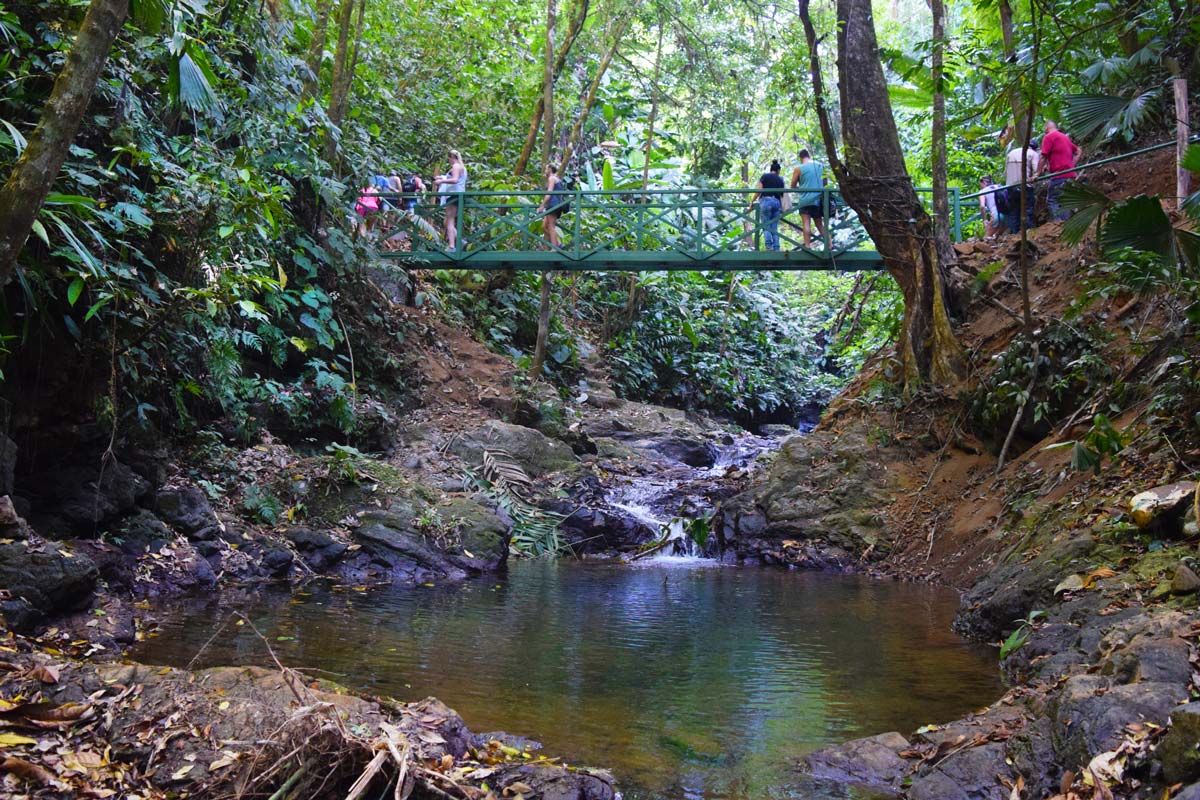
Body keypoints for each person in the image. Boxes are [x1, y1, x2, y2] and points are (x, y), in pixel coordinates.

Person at [1038, 120, 1080, 221]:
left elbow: (1043, 157)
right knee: (1063, 200)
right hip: (1070, 175)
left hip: (1059, 175)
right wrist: (1072, 164)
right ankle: (1064, 224)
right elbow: (1078, 151)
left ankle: (1058, 223)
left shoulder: (1049, 136)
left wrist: (1037, 173)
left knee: (1052, 200)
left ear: (1046, 128)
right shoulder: (1064, 137)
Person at [790, 149, 827, 248]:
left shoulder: (799, 168)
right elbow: (825, 183)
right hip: (818, 199)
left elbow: (792, 186)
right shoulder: (820, 165)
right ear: (809, 156)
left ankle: (807, 246)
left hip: (805, 200)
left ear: (800, 158)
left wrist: (801, 188)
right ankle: (830, 244)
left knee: (806, 223)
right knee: (819, 224)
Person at [432, 149, 467, 249]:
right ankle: (459, 240)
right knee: (447, 221)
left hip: (454, 195)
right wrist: (442, 178)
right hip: (458, 195)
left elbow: (455, 180)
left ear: (452, 157)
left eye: (449, 158)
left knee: (450, 220)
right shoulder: (462, 167)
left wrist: (441, 182)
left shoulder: (456, 166)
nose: (449, 161)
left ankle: (452, 246)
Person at [1003, 137, 1039, 234]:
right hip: (1025, 186)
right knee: (1027, 209)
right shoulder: (1033, 154)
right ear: (1035, 148)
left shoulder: (1011, 153)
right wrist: (1035, 177)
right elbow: (1036, 171)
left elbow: (1006, 172)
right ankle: (1028, 232)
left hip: (1010, 187)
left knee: (1014, 211)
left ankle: (1014, 234)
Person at [749, 160, 785, 252]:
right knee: (774, 227)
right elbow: (782, 195)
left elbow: (759, 190)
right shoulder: (780, 179)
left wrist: (752, 201)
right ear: (778, 171)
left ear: (771, 169)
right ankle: (776, 247)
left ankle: (769, 247)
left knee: (766, 225)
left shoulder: (765, 176)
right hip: (776, 203)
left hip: (766, 201)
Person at [536, 164, 568, 249]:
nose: (545, 170)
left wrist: (542, 206)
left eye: (546, 169)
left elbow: (549, 193)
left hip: (554, 205)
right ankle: (559, 244)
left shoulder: (552, 178)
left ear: (550, 169)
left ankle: (554, 248)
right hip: (555, 204)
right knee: (544, 226)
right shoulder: (557, 179)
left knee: (550, 226)